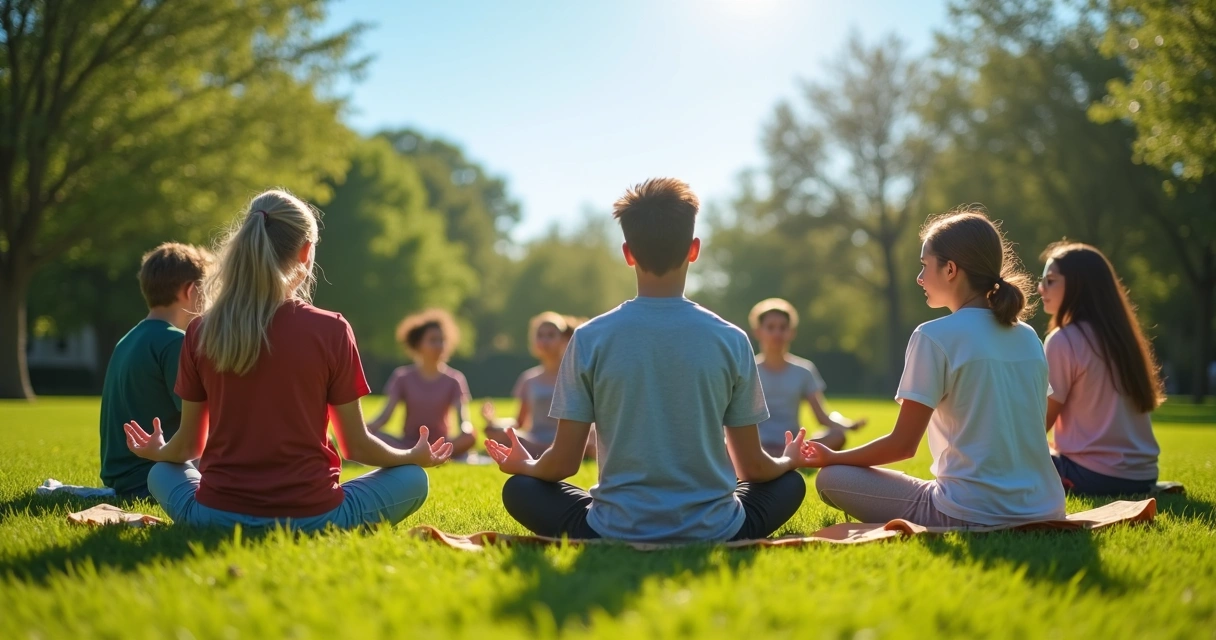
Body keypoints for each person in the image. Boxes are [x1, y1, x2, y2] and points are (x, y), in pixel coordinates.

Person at [485, 178, 814, 543]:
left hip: (613, 528)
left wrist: (526, 466)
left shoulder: (589, 337)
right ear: (694, 250)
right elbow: (752, 467)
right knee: (789, 483)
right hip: (716, 528)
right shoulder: (732, 339)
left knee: (521, 489)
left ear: (628, 253)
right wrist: (788, 460)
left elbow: (563, 464)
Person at [123, 189, 451, 531]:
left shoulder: (202, 330)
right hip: (315, 518)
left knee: (161, 471)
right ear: (306, 251)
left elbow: (189, 445)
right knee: (414, 478)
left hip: (215, 516)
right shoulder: (332, 329)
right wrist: (410, 456)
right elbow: (356, 446)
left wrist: (159, 451)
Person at [808, 207, 1066, 527]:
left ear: (950, 269)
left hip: (965, 511)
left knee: (831, 477)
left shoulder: (933, 336)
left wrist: (833, 457)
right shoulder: (1028, 336)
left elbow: (903, 445)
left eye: (924, 265)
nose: (919, 278)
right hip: (1045, 508)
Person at [1039, 241, 1164, 495]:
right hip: (1144, 477)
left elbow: (1039, 424)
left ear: (1078, 286)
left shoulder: (1064, 340)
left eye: (1050, 281)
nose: (1041, 288)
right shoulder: (1123, 338)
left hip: (1092, 477)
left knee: (1005, 457)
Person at [99, 243, 213, 497]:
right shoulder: (176, 342)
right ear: (190, 290)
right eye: (206, 290)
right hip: (155, 474)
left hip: (122, 476)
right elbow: (206, 426)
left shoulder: (128, 339)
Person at [749, 298, 866, 456]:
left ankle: (792, 457)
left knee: (837, 436)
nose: (777, 333)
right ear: (758, 332)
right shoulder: (748, 370)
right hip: (757, 447)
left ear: (792, 332)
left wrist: (846, 425)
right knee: (727, 444)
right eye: (770, 327)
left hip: (794, 447)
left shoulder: (803, 370)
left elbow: (821, 417)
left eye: (783, 327)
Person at [368, 309, 476, 458]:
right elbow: (384, 417)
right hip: (408, 445)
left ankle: (430, 455)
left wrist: (467, 430)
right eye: (433, 340)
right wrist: (365, 430)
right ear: (418, 345)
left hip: (441, 444)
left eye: (441, 340)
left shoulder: (455, 379)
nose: (439, 345)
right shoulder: (402, 377)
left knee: (469, 437)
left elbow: (463, 420)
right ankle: (420, 456)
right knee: (373, 436)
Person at [482, 312, 571, 457]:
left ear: (563, 340)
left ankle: (554, 451)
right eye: (540, 335)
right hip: (534, 440)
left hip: (565, 440)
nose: (545, 340)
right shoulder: (528, 379)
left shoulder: (573, 377)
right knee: (499, 434)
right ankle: (546, 452)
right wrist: (493, 422)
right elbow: (519, 422)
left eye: (551, 335)